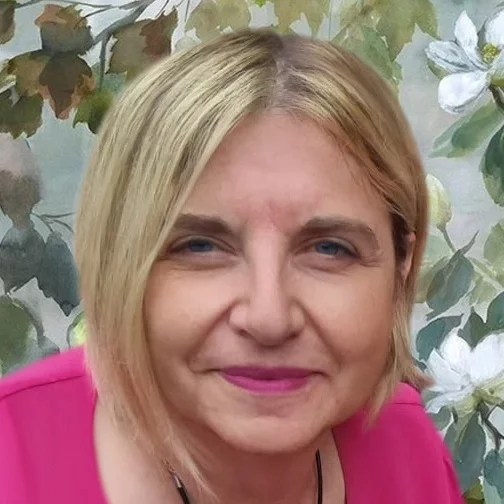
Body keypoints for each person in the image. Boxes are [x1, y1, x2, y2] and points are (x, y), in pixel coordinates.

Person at [0, 29, 464, 504]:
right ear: (116, 262)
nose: (269, 318)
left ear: (401, 269)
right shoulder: (10, 459)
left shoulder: (406, 446)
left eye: (329, 249)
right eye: (200, 246)